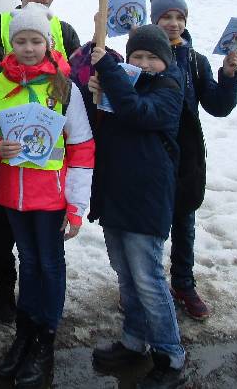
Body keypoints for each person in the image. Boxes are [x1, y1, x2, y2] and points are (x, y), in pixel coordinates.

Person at [0, 3, 94, 389]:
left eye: (35, 41)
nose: (28, 48)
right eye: (21, 41)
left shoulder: (63, 86)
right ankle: (24, 335)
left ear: (47, 42)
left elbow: (81, 146)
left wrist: (76, 206)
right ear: (11, 44)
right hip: (12, 194)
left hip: (51, 199)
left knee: (49, 265)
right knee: (27, 263)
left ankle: (45, 338)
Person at [87, 24, 187, 388]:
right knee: (125, 275)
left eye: (152, 58)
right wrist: (97, 91)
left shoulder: (169, 88)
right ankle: (134, 340)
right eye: (137, 57)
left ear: (166, 60)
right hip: (116, 192)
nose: (144, 64)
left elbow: (137, 112)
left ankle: (169, 354)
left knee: (148, 279)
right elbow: (106, 126)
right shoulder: (125, 82)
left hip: (147, 197)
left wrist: (111, 73)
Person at [0, 0, 81, 324]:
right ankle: (11, 304)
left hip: (49, 192)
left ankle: (42, 329)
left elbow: (80, 139)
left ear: (47, 42)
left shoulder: (64, 71)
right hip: (9, 186)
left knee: (44, 261)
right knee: (10, 247)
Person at [150, 0, 237, 320]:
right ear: (154, 20)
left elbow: (218, 106)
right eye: (166, 17)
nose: (173, 24)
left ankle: (184, 284)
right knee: (150, 224)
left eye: (179, 18)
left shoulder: (195, 61)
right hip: (151, 153)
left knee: (184, 222)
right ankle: (144, 285)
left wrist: (228, 76)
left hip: (187, 156)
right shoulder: (141, 56)